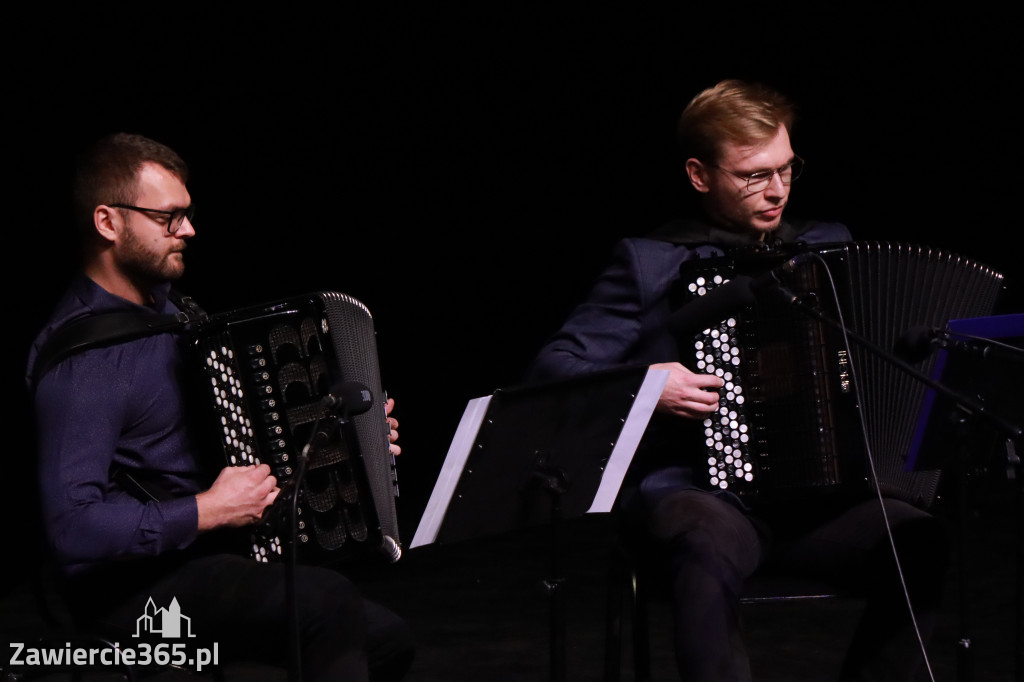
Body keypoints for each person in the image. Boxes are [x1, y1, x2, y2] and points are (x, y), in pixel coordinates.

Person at [529, 80, 948, 681]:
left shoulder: (829, 249)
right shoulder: (651, 262)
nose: (776, 190)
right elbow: (554, 366)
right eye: (753, 175)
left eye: (786, 169)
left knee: (922, 541)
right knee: (702, 546)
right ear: (700, 175)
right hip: (703, 495)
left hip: (822, 502)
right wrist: (647, 386)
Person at [26, 132, 414, 681]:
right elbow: (71, 529)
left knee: (388, 640)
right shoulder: (84, 363)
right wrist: (208, 510)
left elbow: (238, 437)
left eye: (186, 214)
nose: (189, 230)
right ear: (108, 223)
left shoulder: (174, 314)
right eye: (169, 218)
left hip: (209, 562)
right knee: (326, 605)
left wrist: (352, 444)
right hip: (133, 593)